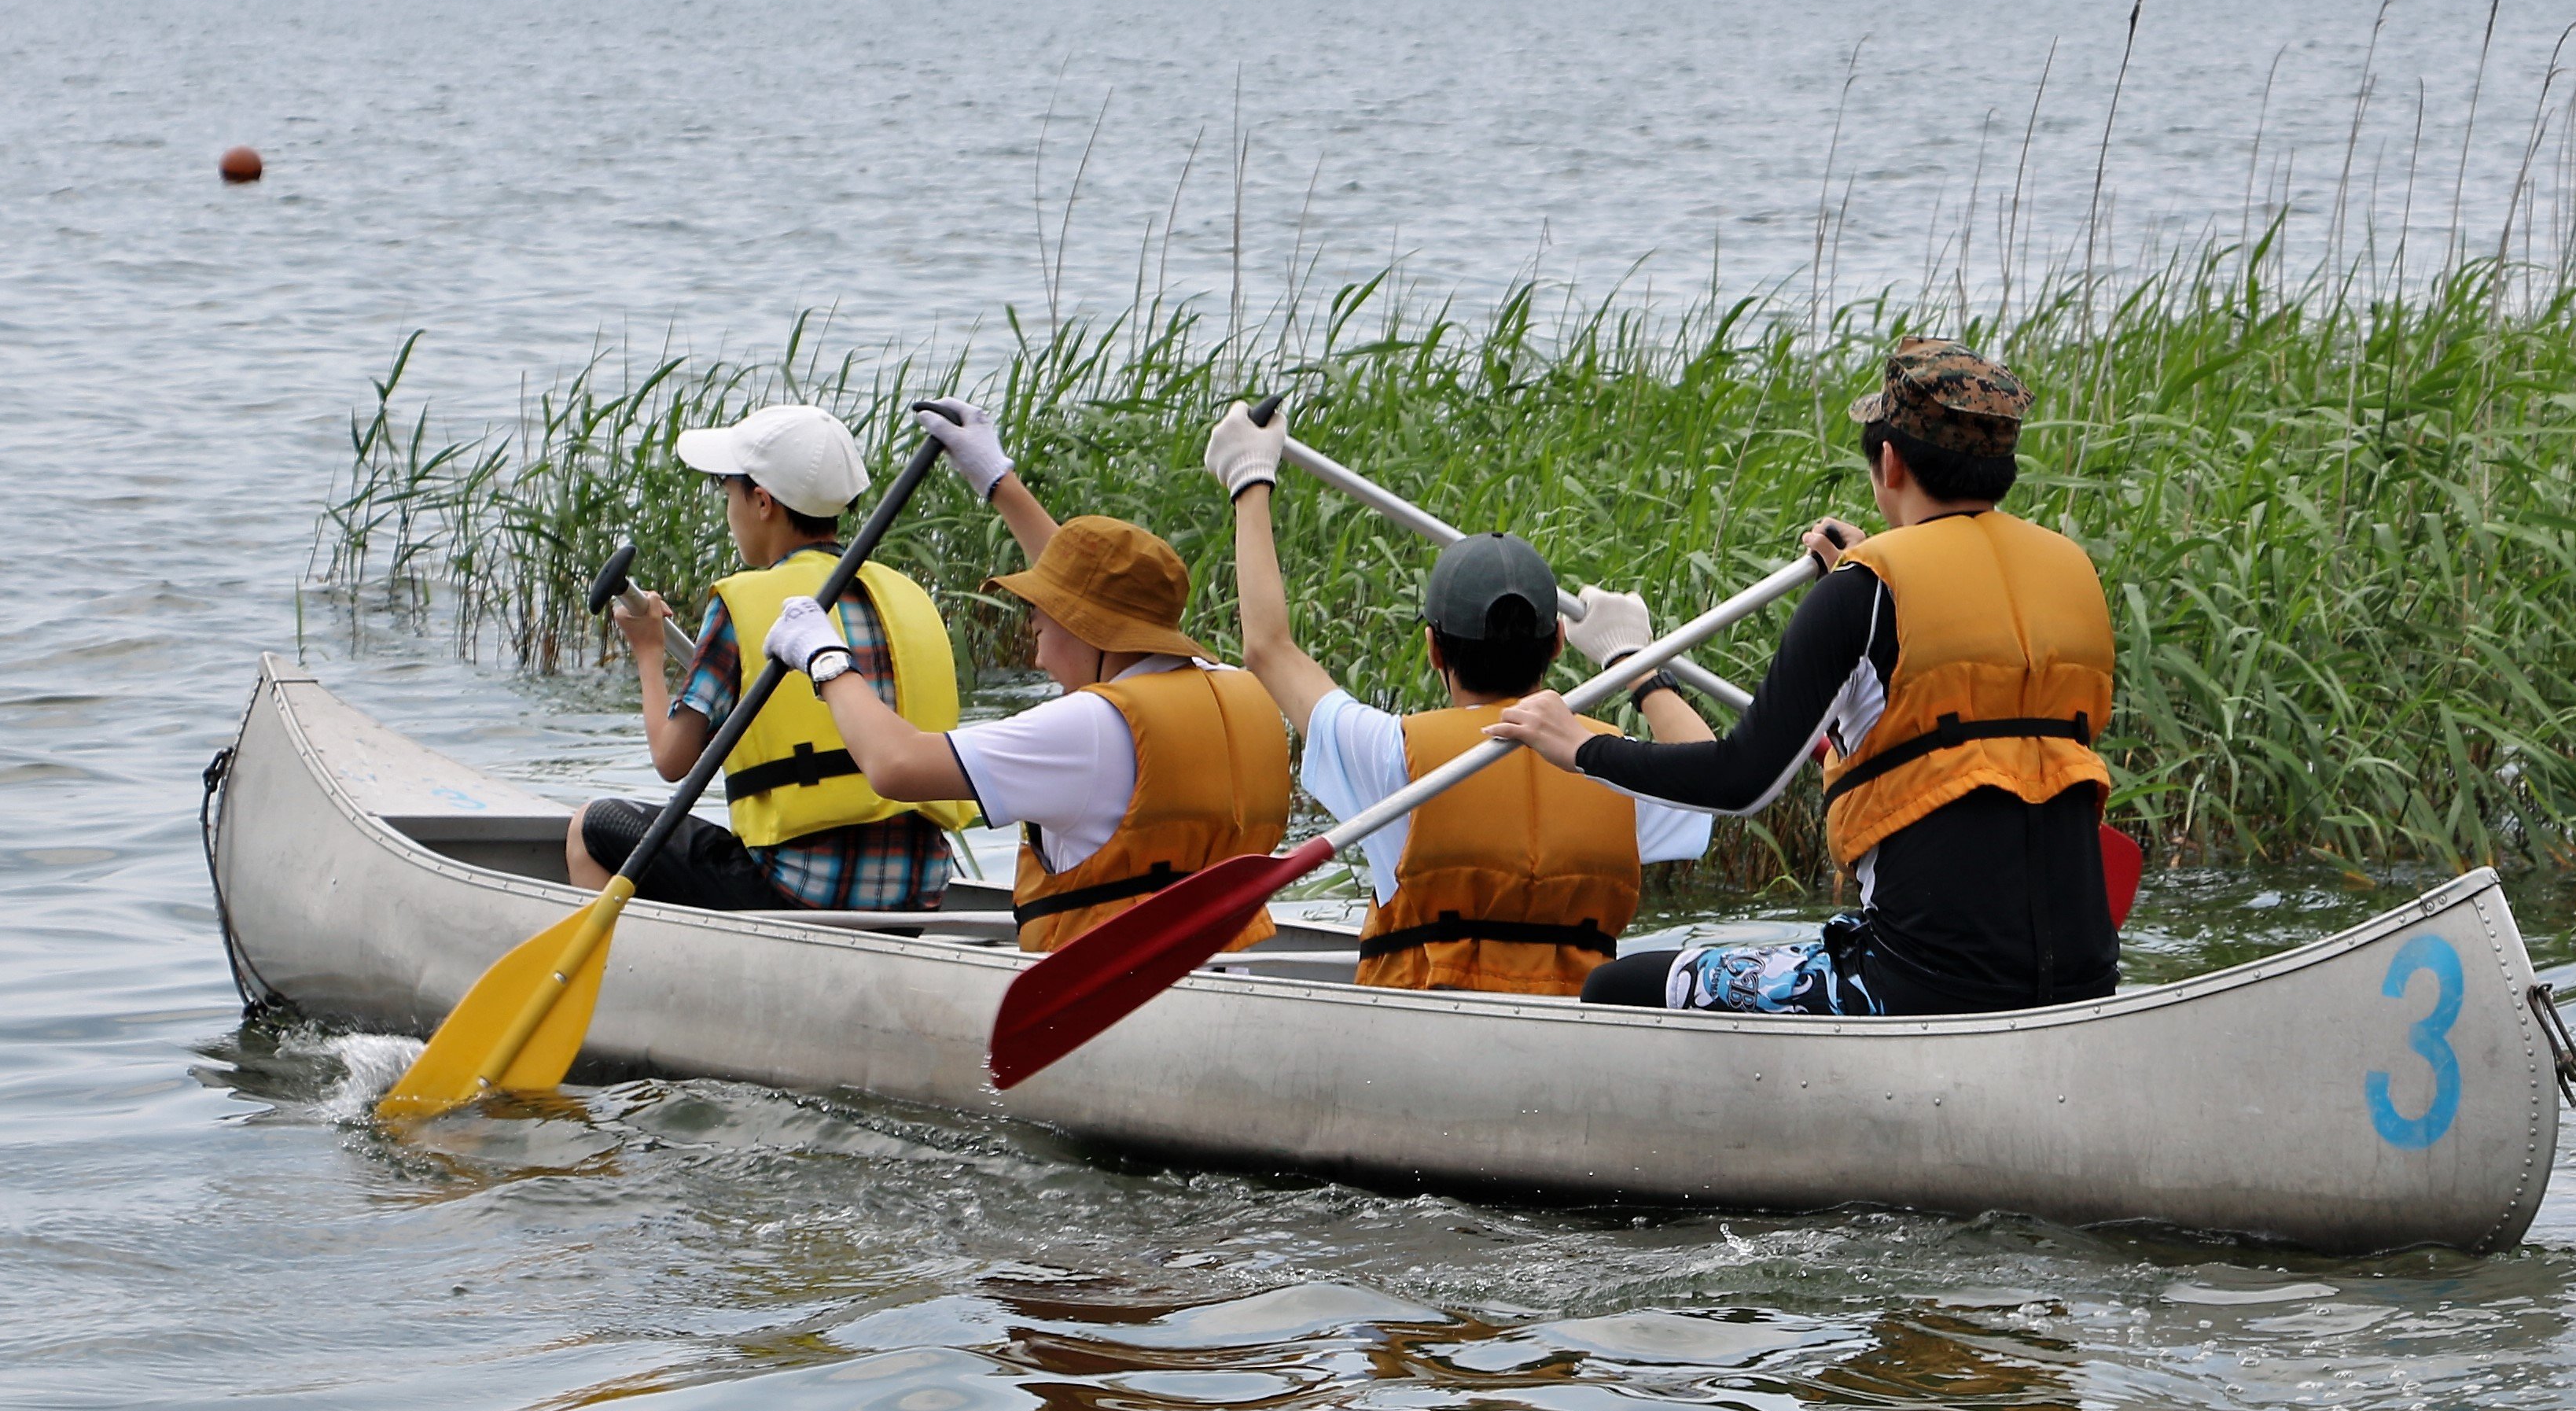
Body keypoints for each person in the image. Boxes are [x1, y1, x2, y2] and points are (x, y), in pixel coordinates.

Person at [1487, 338, 2117, 1018]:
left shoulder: (1862, 595)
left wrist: (1576, 747)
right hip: (2085, 971)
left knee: (1619, 985)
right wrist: (1873, 557)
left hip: (1922, 984)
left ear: (1890, 460)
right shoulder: (2070, 576)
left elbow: (1741, 783)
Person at [1201, 400, 1717, 997]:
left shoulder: (1392, 757)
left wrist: (1249, 478)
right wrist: (1633, 662)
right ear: (1556, 643)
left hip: (1428, 1035)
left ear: (1433, 650)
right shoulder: (1612, 765)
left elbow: (1267, 647)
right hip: (1578, 1037)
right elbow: (1705, 769)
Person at [761, 397, 1294, 953]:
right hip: (1220, 969)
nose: (1037, 653)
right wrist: (997, 480)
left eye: (1038, 627)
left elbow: (896, 767)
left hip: (1103, 991)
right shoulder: (1229, 686)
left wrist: (825, 658)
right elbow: (1096, 600)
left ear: (1083, 627)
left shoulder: (1090, 728)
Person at [569, 402, 977, 912]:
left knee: (591, 825)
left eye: (728, 495)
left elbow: (672, 760)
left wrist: (649, 652)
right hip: (918, 895)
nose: (728, 512)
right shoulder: (909, 597)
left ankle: (616, 982)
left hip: (798, 892)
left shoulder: (745, 602)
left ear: (762, 502)